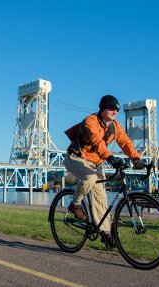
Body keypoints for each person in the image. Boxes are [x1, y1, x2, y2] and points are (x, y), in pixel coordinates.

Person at [63, 95, 145, 249]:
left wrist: (136, 158)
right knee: (90, 178)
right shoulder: (90, 121)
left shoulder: (115, 126)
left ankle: (106, 234)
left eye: (117, 109)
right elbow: (97, 142)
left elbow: (125, 142)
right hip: (76, 158)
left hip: (96, 163)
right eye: (111, 108)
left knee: (101, 200)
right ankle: (75, 205)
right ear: (103, 108)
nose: (115, 111)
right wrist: (111, 158)